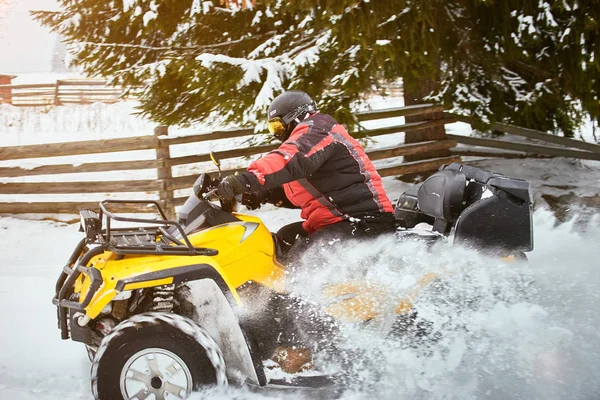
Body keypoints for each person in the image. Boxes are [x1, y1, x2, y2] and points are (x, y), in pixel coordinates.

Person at [217, 90, 397, 261]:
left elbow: (290, 160)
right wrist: (265, 193)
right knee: (283, 240)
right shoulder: (312, 140)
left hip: (365, 221)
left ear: (296, 116)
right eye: (273, 128)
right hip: (336, 221)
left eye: (278, 126)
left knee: (307, 257)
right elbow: (305, 192)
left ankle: (306, 294)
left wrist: (247, 179)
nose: (277, 134)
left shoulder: (319, 129)